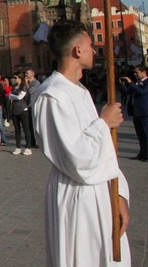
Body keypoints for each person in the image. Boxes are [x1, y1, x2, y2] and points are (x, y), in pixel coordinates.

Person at [32, 19, 130, 266]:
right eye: (90, 44)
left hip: (101, 191)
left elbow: (104, 151)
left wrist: (117, 193)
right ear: (77, 50)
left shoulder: (80, 91)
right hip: (78, 196)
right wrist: (103, 123)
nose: (95, 50)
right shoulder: (52, 95)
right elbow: (75, 158)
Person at [120, 65, 148, 161]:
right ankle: (142, 154)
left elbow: (141, 92)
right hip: (136, 112)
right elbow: (128, 92)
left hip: (145, 113)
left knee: (146, 134)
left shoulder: (146, 82)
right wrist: (123, 85)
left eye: (137, 72)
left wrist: (131, 83)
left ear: (144, 72)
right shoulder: (137, 83)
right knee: (140, 135)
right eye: (134, 72)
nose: (135, 74)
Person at [8, 74, 33, 155]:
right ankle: (18, 147)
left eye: (15, 78)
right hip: (15, 109)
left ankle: (28, 147)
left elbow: (20, 97)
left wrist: (13, 96)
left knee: (26, 129)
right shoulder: (14, 86)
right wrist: (14, 96)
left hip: (23, 109)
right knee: (17, 129)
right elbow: (9, 96)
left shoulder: (23, 86)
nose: (14, 79)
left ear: (20, 78)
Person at [24, 68, 40, 148]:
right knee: (29, 125)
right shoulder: (26, 83)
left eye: (27, 73)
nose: (26, 74)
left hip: (33, 105)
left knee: (34, 124)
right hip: (26, 106)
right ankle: (31, 142)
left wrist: (27, 84)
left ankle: (37, 142)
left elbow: (31, 91)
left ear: (32, 74)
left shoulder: (36, 83)